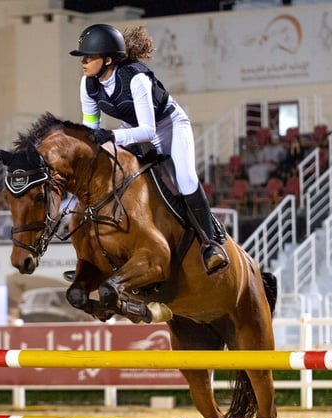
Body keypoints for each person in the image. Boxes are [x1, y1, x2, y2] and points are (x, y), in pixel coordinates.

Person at [70, 23, 228, 274]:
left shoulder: (136, 79)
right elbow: (90, 127)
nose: (83, 62)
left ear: (108, 59)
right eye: (83, 57)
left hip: (169, 125)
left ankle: (211, 244)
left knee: (184, 179)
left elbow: (149, 131)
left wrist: (111, 135)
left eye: (89, 57)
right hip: (132, 129)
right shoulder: (88, 84)